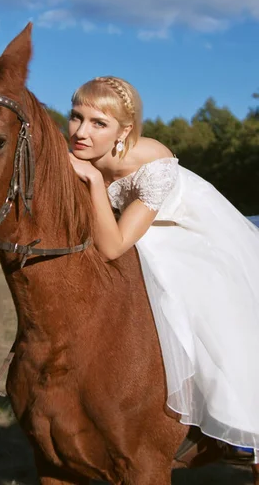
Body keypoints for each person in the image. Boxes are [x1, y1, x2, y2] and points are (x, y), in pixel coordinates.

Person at [68, 75, 259, 462]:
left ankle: (235, 420)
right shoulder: (77, 149)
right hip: (134, 229)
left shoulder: (151, 161)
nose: (81, 132)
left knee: (189, 288)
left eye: (98, 123)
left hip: (184, 230)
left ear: (124, 131)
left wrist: (90, 180)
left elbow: (114, 245)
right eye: (76, 117)